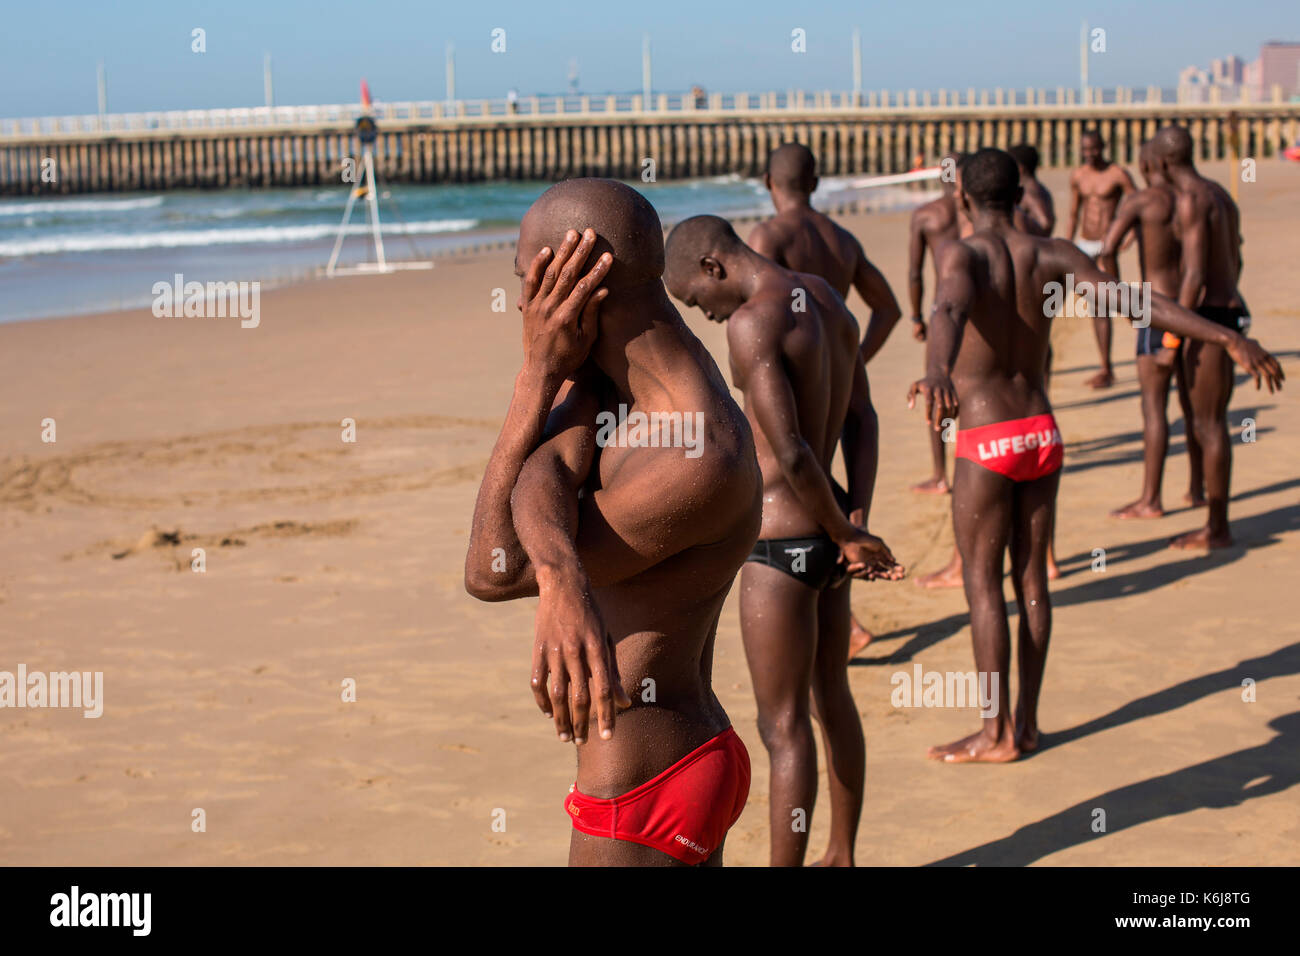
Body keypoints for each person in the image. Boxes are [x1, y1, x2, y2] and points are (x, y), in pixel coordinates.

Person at [909, 149, 1283, 762]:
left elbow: (947, 308)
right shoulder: (1054, 252)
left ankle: (995, 732)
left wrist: (935, 370)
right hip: (1041, 433)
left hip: (987, 437)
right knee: (1032, 581)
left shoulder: (963, 254)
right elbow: (1136, 301)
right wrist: (1227, 335)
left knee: (983, 588)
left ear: (964, 200)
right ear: (1019, 192)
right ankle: (1027, 725)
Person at [464, 179, 764, 865]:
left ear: (572, 278)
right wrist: (562, 576)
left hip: (645, 782)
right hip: (670, 758)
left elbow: (489, 568)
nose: (520, 304)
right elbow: (545, 473)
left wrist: (533, 377)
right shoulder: (616, 381)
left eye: (528, 278)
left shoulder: (698, 452)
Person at [665, 213, 901, 866]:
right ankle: (843, 855)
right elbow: (863, 418)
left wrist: (846, 533)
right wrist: (854, 523)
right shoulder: (827, 300)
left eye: (695, 299)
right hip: (827, 539)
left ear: (714, 266)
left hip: (780, 546)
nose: (704, 316)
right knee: (834, 698)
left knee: (783, 727)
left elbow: (792, 451)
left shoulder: (752, 323)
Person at [746, 141, 904, 656]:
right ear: (814, 182)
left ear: (769, 182)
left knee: (794, 492)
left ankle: (836, 619)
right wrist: (848, 364)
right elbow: (889, 309)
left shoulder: (769, 236)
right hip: (835, 377)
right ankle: (844, 607)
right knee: (827, 487)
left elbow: (761, 308)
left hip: (789, 378)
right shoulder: (842, 240)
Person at [1154, 125, 1263, 549]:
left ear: (1163, 163)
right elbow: (1237, 250)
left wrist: (1172, 339)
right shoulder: (1219, 192)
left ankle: (1218, 527)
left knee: (1208, 422)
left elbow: (1195, 274)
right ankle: (1213, 515)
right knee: (1209, 419)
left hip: (1209, 317)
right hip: (1229, 309)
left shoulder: (1190, 200)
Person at [1100, 140, 1205, 519]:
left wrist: (1121, 300)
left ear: (1148, 163)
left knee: (1154, 408)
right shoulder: (1195, 197)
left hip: (1156, 309)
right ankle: (1196, 488)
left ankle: (1151, 499)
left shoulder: (1143, 202)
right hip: (1195, 310)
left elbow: (1107, 250)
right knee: (1195, 407)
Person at [907, 152, 969, 495]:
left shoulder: (926, 215)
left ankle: (940, 474)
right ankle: (973, 461)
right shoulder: (975, 211)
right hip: (975, 309)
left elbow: (915, 273)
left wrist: (917, 316)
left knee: (937, 386)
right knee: (971, 384)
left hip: (940, 308)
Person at [1066, 130, 1136, 388]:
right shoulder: (1078, 176)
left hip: (1108, 246)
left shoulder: (1117, 174)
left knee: (1122, 302)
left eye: (1094, 149)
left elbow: (1136, 204)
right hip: (1085, 244)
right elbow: (1074, 212)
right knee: (1097, 306)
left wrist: (1128, 237)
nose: (1089, 154)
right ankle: (1106, 368)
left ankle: (1152, 346)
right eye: (1085, 149)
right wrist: (1066, 244)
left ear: (1103, 147)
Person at [1008, 144, 1055, 237]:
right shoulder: (1039, 188)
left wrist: (1029, 241)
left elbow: (1046, 223)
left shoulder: (1028, 193)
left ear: (1020, 168)